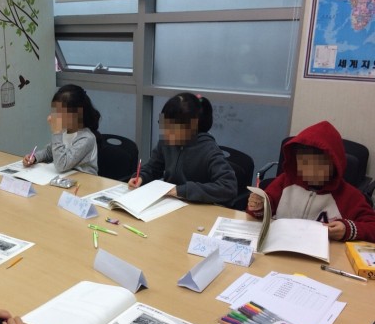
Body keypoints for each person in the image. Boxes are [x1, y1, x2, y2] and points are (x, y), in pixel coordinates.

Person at [247, 121, 375, 242]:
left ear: (334, 165)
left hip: (324, 253)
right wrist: (258, 206)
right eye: (304, 163)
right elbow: (258, 213)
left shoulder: (349, 196)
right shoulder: (285, 182)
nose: (310, 171)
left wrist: (347, 229)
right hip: (281, 247)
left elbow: (372, 226)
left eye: (320, 165)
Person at [127, 92, 237, 205]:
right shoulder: (167, 141)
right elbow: (153, 168)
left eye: (173, 129)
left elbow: (228, 187)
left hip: (196, 207)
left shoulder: (209, 150)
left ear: (191, 127)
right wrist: (141, 177)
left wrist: (182, 191)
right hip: (167, 203)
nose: (166, 133)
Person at [22, 84, 101, 175]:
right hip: (65, 177)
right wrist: (35, 157)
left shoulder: (86, 138)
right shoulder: (64, 131)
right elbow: (49, 152)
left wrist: (56, 132)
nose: (54, 116)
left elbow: (62, 165)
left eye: (60, 113)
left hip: (84, 181)